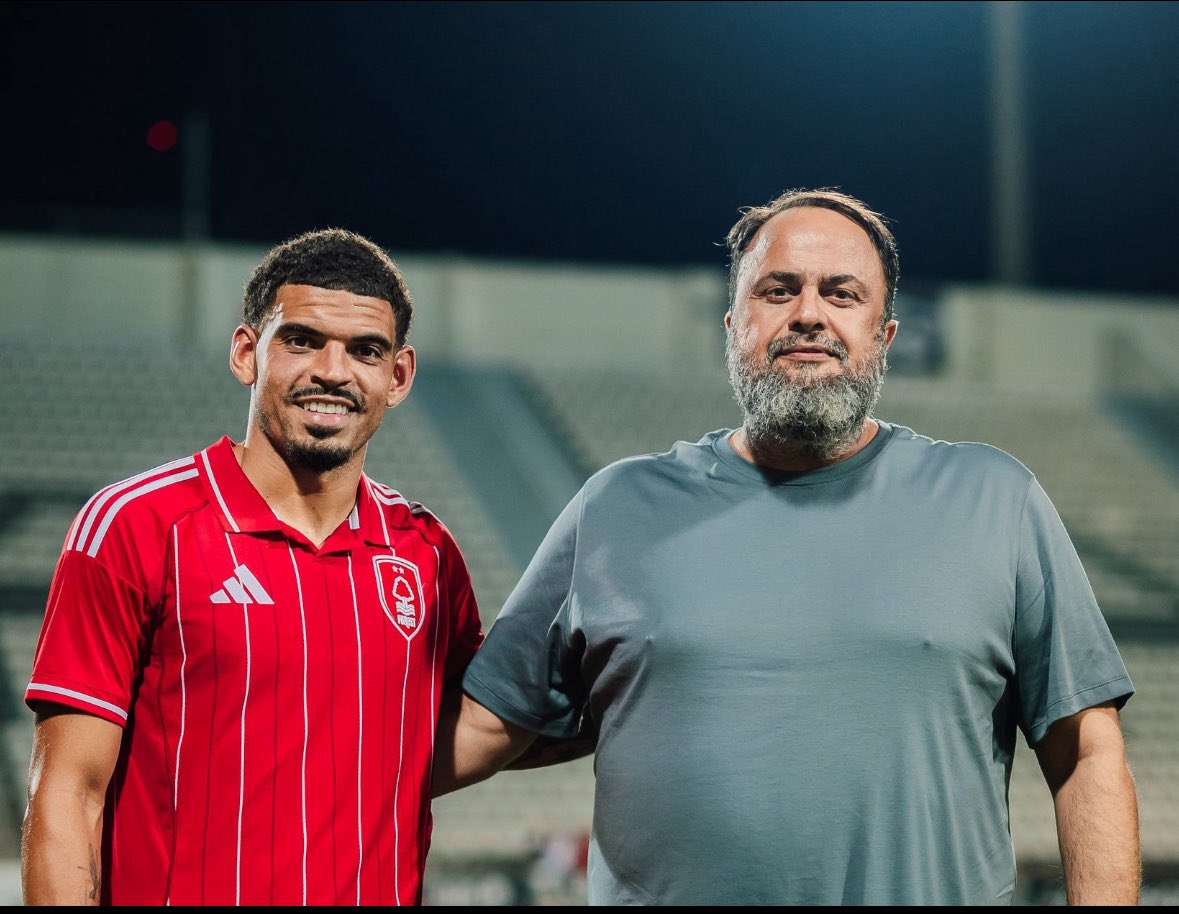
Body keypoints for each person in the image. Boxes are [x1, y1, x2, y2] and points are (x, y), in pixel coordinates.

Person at [433, 189, 1141, 905]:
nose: (808, 313)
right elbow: (489, 724)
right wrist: (321, 763)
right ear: (734, 323)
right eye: (777, 290)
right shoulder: (615, 506)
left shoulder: (995, 498)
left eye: (841, 293)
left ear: (882, 335)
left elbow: (1085, 749)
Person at [22, 229, 483, 905]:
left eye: (365, 350)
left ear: (399, 376)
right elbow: (67, 795)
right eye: (301, 340)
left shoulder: (427, 555)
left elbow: (470, 731)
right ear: (246, 353)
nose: (333, 370)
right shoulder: (136, 525)